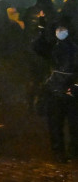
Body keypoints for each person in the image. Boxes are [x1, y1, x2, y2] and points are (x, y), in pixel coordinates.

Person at [32, 14, 78, 163]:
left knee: (73, 125)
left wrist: (75, 85)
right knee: (56, 124)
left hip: (71, 90)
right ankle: (59, 152)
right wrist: (41, 28)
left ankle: (72, 150)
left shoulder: (74, 46)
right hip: (55, 89)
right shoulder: (52, 46)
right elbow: (37, 47)